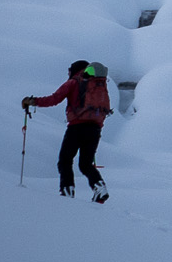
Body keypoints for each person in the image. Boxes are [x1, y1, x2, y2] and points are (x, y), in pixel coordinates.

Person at [24, 60, 112, 201]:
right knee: (85, 164)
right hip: (95, 129)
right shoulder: (99, 84)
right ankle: (99, 187)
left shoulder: (74, 82)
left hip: (77, 127)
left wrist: (33, 101)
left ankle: (67, 192)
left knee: (65, 160)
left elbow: (54, 99)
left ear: (74, 70)